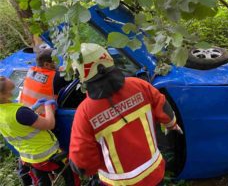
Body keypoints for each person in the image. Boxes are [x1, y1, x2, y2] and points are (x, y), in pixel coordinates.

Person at [69, 43, 183, 186]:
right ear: (109, 60)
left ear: (80, 74)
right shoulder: (139, 85)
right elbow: (165, 110)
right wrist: (171, 124)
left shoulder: (85, 112)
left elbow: (82, 161)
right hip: (154, 173)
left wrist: (88, 171)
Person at [0, 76, 78, 185]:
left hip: (28, 157)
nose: (16, 89)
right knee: (71, 177)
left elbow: (17, 122)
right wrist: (48, 107)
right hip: (46, 155)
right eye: (13, 88)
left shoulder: (4, 110)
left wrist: (32, 108)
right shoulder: (20, 112)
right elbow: (50, 124)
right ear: (4, 95)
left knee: (42, 182)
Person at [20, 44, 69, 115]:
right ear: (46, 64)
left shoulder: (31, 71)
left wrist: (57, 70)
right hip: (43, 119)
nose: (56, 64)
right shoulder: (55, 78)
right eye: (54, 62)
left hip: (25, 114)